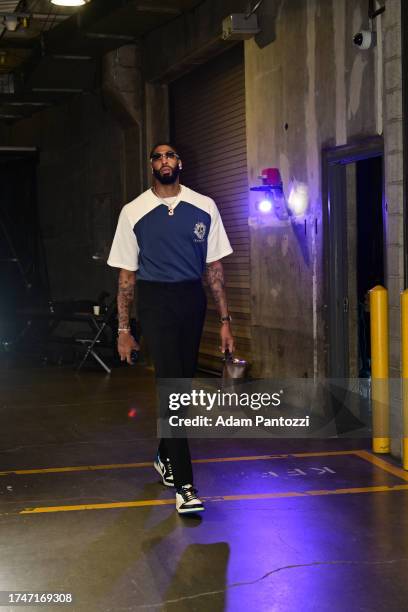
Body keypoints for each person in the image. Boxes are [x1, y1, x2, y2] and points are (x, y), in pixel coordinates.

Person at [107, 142, 234, 514]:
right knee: (171, 387)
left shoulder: (205, 206)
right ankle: (185, 485)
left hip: (190, 300)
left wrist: (226, 322)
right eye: (159, 157)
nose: (165, 161)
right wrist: (123, 329)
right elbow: (126, 275)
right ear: (152, 166)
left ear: (180, 163)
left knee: (183, 385)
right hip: (155, 300)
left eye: (171, 156)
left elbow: (214, 270)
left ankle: (165, 454)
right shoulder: (133, 212)